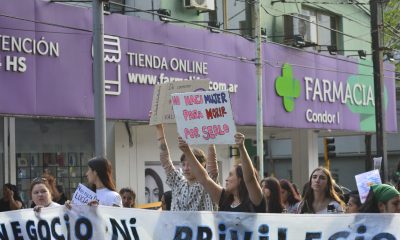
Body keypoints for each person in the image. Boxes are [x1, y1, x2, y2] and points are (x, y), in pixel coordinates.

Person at [178, 133, 265, 213]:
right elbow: (205, 179)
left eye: (231, 175)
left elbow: (250, 178)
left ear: (241, 179)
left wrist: (241, 148)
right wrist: (187, 151)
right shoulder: (225, 200)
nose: (226, 179)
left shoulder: (254, 200)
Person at [155, 123, 218, 211]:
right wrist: (159, 129)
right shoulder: (178, 182)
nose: (185, 168)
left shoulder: (207, 184)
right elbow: (165, 160)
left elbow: (212, 168)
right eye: (183, 164)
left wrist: (211, 138)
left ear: (202, 165)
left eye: (190, 164)